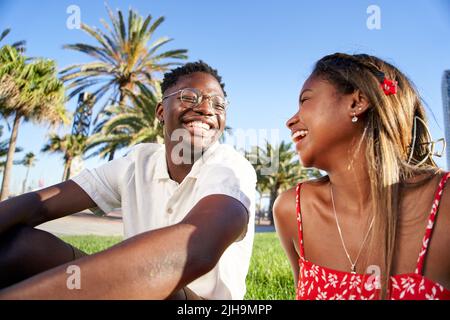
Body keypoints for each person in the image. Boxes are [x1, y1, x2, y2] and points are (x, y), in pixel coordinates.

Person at [0, 60, 257, 300]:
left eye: (218, 105)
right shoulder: (137, 162)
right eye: (189, 97)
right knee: (18, 246)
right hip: (139, 287)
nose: (206, 109)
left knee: (153, 279)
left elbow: (194, 251)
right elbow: (38, 204)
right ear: (160, 110)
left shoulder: (232, 167)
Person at [274, 52, 450, 300]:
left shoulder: (444, 204)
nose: (290, 121)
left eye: (305, 100)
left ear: (357, 103)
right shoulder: (293, 210)